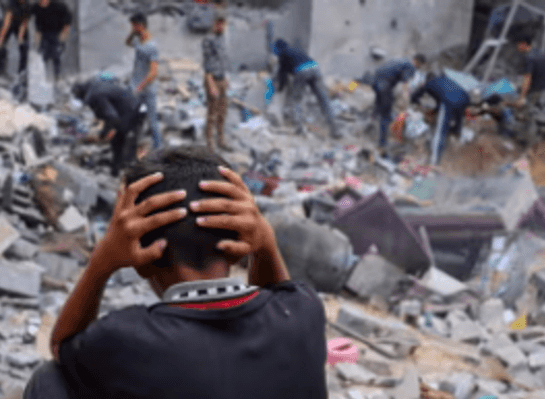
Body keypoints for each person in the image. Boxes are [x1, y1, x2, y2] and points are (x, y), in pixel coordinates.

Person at [22, 145, 328, 399]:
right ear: (238, 246)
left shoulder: (125, 339)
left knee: (49, 381)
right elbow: (276, 297)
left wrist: (103, 260)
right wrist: (265, 244)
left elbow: (62, 347)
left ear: (141, 259)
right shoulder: (305, 311)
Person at [72, 79, 143, 176]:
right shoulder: (95, 86)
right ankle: (117, 169)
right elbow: (107, 114)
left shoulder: (95, 95)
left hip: (131, 110)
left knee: (121, 139)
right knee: (119, 139)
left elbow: (111, 116)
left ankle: (125, 171)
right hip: (132, 106)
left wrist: (103, 134)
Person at [273, 39, 340, 138]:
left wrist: (279, 89)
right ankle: (336, 130)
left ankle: (299, 128)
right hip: (315, 68)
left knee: (296, 99)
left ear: (278, 48)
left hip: (302, 71)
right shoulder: (295, 50)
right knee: (324, 99)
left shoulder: (283, 56)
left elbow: (282, 76)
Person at [411, 71, 470, 166]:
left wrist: (415, 102)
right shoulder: (445, 79)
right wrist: (435, 109)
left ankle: (434, 161)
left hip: (450, 101)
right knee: (457, 125)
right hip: (465, 99)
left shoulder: (429, 83)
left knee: (440, 131)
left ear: (427, 79)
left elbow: (415, 95)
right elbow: (440, 100)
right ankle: (457, 135)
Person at [371, 55, 425, 149]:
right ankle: (382, 143)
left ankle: (371, 121)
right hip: (384, 83)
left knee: (380, 103)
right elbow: (405, 85)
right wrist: (406, 102)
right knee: (386, 114)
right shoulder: (411, 67)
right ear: (418, 62)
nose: (420, 67)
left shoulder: (402, 60)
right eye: (421, 65)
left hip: (375, 79)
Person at [127, 13, 162, 149]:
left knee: (152, 120)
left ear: (141, 25)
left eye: (134, 26)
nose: (132, 28)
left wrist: (140, 87)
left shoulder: (152, 46)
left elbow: (153, 73)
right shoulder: (137, 41)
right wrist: (132, 32)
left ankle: (159, 148)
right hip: (135, 86)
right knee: (133, 117)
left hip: (147, 89)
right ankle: (134, 146)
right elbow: (127, 42)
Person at [202, 12, 231, 151]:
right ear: (214, 24)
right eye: (218, 23)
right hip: (212, 80)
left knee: (222, 113)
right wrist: (211, 85)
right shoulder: (208, 40)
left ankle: (221, 140)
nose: (221, 26)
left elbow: (222, 61)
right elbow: (207, 64)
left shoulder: (222, 39)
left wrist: (226, 79)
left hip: (222, 79)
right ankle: (210, 143)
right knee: (212, 114)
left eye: (223, 23)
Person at [31, 0, 72, 80]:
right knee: (43, 56)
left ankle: (58, 76)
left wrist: (65, 32)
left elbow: (68, 18)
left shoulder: (59, 6)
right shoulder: (36, 7)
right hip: (43, 34)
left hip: (57, 33)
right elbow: (27, 14)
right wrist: (36, 34)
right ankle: (41, 77)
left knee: (56, 55)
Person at [0, 0, 33, 77]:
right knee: (1, 44)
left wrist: (20, 36)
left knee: (24, 46)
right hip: (9, 23)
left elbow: (24, 22)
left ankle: (21, 73)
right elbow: (6, 23)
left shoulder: (28, 6)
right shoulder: (11, 3)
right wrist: (1, 39)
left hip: (20, 24)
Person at [515, 35, 545, 109]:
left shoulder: (529, 57)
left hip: (533, 90)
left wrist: (521, 96)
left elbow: (527, 78)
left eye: (518, 44)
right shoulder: (539, 53)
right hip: (542, 89)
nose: (517, 47)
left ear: (523, 44)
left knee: (522, 109)